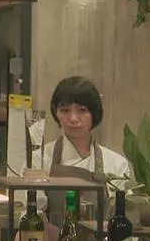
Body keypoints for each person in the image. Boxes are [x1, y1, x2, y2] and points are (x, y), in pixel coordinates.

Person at [20, 76, 131, 216]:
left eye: (82, 110)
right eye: (65, 110)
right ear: (56, 113)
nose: (73, 118)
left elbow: (122, 214)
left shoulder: (116, 164)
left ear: (94, 114)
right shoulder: (38, 160)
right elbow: (33, 214)